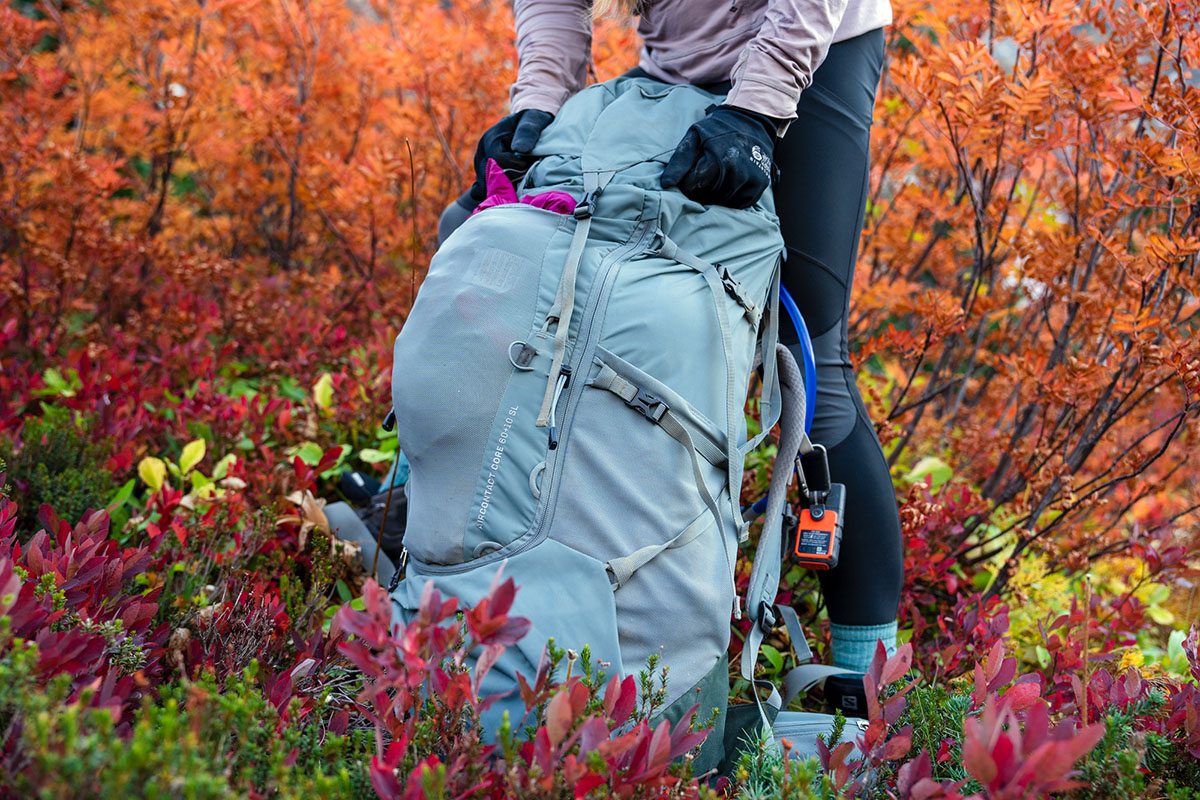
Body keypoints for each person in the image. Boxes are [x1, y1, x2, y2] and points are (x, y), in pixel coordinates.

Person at [437, 0, 904, 709]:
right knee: (526, 273)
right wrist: (539, 103)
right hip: (672, 65)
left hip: (809, 50)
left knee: (809, 352)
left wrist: (756, 111)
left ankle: (872, 691)